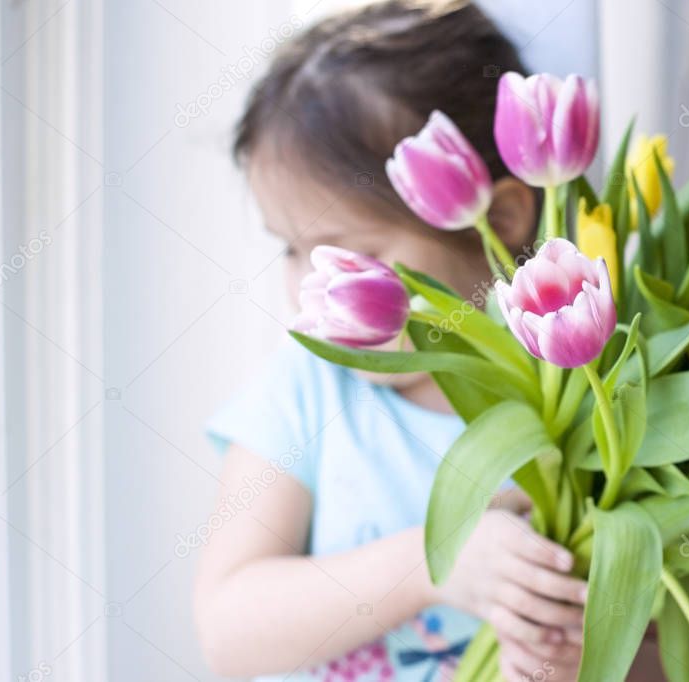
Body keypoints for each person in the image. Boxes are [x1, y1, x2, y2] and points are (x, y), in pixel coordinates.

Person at [194, 2, 588, 680]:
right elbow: (228, 627)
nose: (312, 288)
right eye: (290, 250)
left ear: (496, 217)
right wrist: (429, 562)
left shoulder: (585, 394)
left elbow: (638, 622)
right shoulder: (304, 392)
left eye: (347, 252)